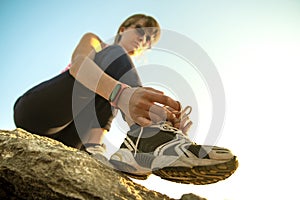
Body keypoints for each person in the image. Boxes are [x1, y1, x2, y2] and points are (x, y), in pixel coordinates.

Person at [14, 14, 238, 185]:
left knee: (115, 86)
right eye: (140, 30)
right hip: (38, 113)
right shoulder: (98, 44)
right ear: (123, 29)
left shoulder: (122, 72)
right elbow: (79, 64)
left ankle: (145, 142)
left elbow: (97, 131)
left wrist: (99, 157)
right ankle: (149, 136)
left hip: (72, 140)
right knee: (114, 56)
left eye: (149, 39)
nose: (144, 38)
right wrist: (122, 95)